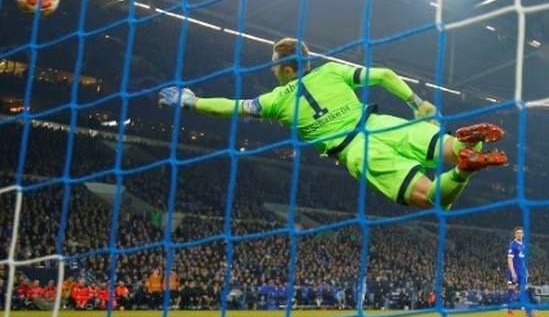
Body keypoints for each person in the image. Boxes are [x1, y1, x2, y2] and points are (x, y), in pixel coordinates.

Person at [159, 38, 507, 209]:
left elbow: (231, 108)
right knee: (449, 147)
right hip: (382, 122)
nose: (270, 69)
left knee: (432, 197)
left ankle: (463, 170)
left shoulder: (276, 100)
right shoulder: (331, 71)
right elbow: (384, 74)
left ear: (286, 68)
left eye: (273, 64)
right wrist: (417, 103)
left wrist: (192, 102)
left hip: (356, 149)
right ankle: (467, 147)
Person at [505, 226, 533, 317]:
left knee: (525, 290)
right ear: (515, 234)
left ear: (523, 234)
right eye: (517, 233)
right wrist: (512, 272)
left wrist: (526, 270)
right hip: (514, 271)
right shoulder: (513, 245)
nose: (519, 234)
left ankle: (528, 312)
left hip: (521, 271)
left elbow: (523, 260)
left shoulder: (523, 245)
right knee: (511, 290)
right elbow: (509, 259)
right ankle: (509, 310)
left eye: (521, 233)